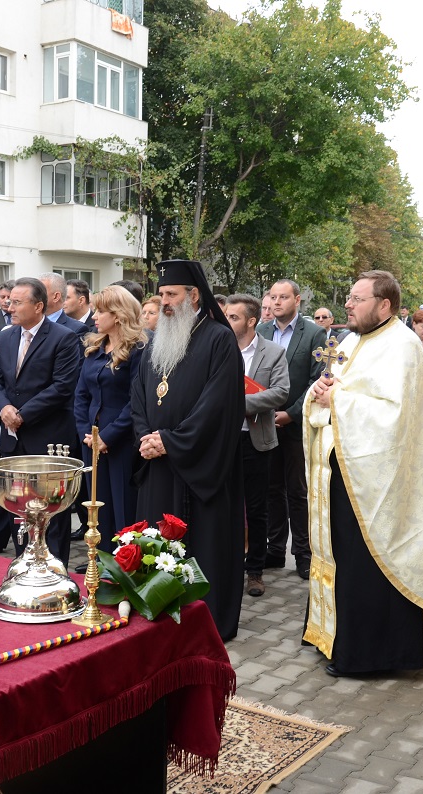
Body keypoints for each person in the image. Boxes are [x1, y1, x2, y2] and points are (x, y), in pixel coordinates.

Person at [303, 271, 423, 675]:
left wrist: (339, 399)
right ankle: (333, 635)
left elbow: (395, 415)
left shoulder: (402, 346)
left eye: (357, 298)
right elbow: (338, 389)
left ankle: (369, 653)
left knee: (368, 561)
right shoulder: (351, 340)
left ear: (384, 305)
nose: (348, 305)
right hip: (344, 468)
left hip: (379, 477)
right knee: (342, 556)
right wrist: (321, 393)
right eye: (349, 297)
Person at [131, 260, 245, 641]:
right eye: (161, 295)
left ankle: (203, 621)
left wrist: (172, 441)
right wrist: (145, 436)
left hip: (200, 467)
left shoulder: (218, 339)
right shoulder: (156, 342)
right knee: (157, 541)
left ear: (194, 296)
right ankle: (158, 605)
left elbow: (218, 405)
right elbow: (140, 397)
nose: (164, 302)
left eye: (171, 294)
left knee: (201, 543)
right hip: (159, 465)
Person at [0, 277, 82, 563]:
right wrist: (4, 407)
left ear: (39, 306)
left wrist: (23, 414)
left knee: (50, 510)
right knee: (18, 508)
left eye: (17, 302)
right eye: (8, 301)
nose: (9, 306)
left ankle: (54, 575)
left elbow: (62, 386)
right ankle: (23, 568)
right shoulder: (6, 335)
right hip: (11, 436)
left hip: (48, 436)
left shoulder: (63, 338)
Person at [257, 279, 327, 579]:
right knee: (270, 488)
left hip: (295, 424)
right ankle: (275, 549)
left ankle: (302, 553)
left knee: (297, 491)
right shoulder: (261, 331)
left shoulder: (313, 334)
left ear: (297, 300)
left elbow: (318, 379)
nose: (276, 302)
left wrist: (291, 413)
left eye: (283, 297)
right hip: (263, 422)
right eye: (273, 297)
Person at [73, 286, 148, 556]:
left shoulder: (139, 349)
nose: (94, 316)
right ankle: (100, 563)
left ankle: (125, 565)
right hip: (91, 443)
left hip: (121, 442)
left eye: (100, 311)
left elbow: (136, 400)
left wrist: (107, 436)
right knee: (96, 507)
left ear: (117, 315)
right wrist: (87, 434)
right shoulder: (94, 347)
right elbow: (81, 395)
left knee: (122, 507)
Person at [224, 294, 289, 598]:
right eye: (226, 316)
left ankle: (255, 572)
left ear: (251, 321)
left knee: (257, 508)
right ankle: (227, 565)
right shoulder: (219, 350)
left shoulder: (273, 352)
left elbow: (281, 392)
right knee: (225, 505)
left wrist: (240, 404)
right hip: (221, 440)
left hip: (256, 440)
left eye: (234, 317)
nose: (227, 321)